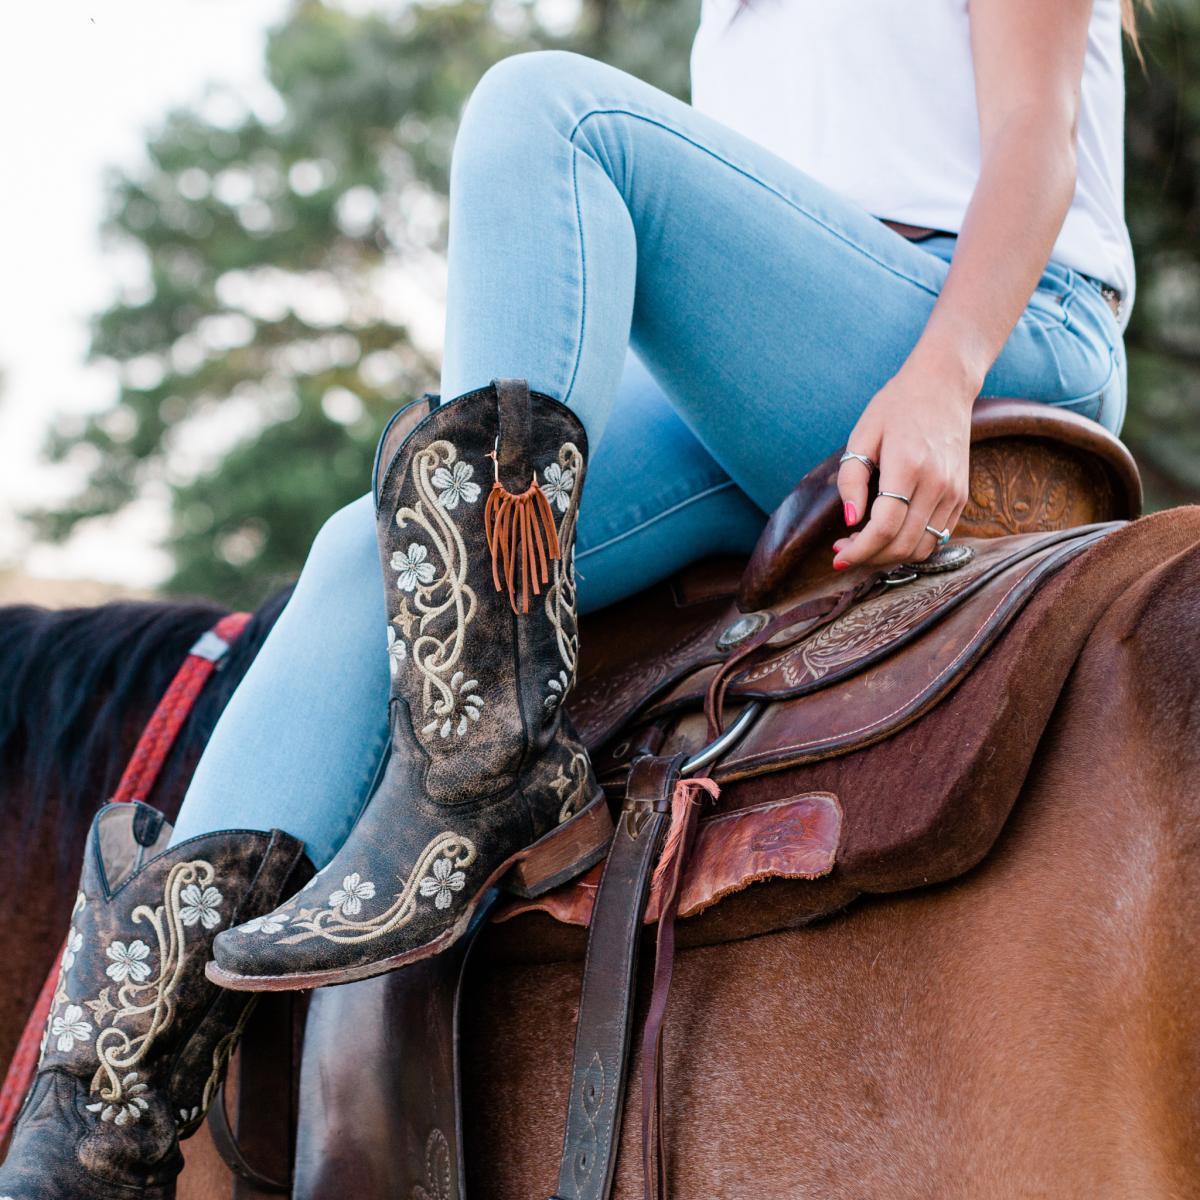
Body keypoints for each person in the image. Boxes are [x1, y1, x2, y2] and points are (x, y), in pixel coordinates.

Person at [1, 0, 1139, 1193]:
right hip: (770, 374)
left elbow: (1037, 135)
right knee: (365, 554)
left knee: (550, 111)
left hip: (993, 325)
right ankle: (99, 1125)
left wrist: (943, 376)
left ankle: (479, 763)